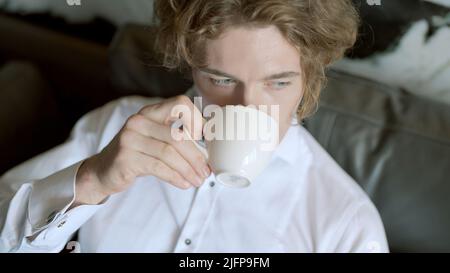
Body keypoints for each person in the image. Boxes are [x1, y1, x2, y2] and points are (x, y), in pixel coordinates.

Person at [0, 0, 388, 252]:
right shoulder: (117, 126)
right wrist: (91, 180)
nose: (246, 107)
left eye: (278, 82)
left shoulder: (347, 226)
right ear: (191, 62)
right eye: (221, 79)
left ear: (311, 75)